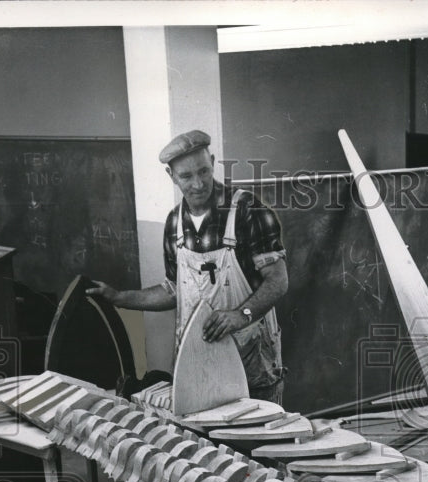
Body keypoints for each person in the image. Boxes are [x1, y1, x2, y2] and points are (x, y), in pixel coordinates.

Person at [87, 129, 288, 404]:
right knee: (203, 444)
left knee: (254, 442)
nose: (198, 184)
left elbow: (278, 280)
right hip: (197, 363)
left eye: (203, 172)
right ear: (171, 176)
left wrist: (242, 314)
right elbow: (173, 291)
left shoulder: (247, 211)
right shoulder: (174, 223)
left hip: (251, 360)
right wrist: (120, 298)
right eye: (186, 176)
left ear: (213, 162)